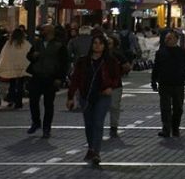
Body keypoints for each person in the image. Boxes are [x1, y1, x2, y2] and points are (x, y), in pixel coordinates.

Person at [66, 34, 122, 166]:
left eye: (100, 43)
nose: (97, 46)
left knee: (98, 122)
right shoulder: (83, 61)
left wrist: (110, 87)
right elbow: (75, 79)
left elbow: (116, 77)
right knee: (89, 124)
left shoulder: (110, 61)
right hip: (86, 96)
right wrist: (70, 96)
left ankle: (96, 152)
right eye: (95, 43)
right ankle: (91, 147)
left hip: (103, 95)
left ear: (104, 46)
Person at [26, 24, 69, 138]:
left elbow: (64, 63)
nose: (41, 32)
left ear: (50, 31)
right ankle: (36, 122)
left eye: (43, 30)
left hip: (51, 77)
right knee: (33, 100)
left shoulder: (59, 45)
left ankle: (46, 128)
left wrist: (60, 78)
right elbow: (29, 56)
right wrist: (32, 55)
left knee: (48, 103)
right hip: (37, 75)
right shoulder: (37, 44)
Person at [151, 31, 185, 137]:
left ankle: (175, 128)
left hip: (178, 84)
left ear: (176, 39)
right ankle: (166, 128)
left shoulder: (183, 52)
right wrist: (153, 81)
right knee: (165, 107)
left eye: (169, 38)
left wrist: (184, 77)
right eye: (166, 38)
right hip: (164, 83)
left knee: (178, 108)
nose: (167, 40)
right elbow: (156, 68)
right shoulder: (161, 52)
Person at [0, 27, 31, 108]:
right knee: (20, 85)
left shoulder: (9, 44)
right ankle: (19, 102)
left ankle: (11, 99)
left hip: (11, 68)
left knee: (12, 84)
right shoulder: (26, 44)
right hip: (22, 69)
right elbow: (29, 55)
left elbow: (4, 55)